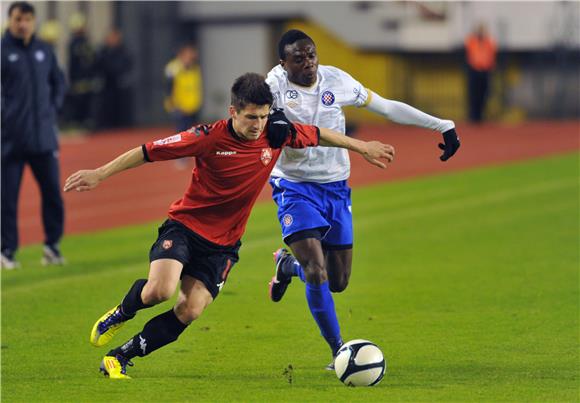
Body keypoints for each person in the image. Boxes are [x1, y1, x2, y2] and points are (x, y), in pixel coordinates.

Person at [63, 72, 395, 379]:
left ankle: (121, 357)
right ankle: (121, 312)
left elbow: (320, 134)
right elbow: (148, 151)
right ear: (233, 111)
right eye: (251, 116)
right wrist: (99, 174)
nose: (258, 124)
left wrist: (363, 146)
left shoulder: (275, 135)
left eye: (264, 116)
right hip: (185, 228)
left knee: (190, 310)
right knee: (159, 291)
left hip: (223, 246)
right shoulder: (206, 137)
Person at [265, 29, 461, 369]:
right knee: (316, 270)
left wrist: (441, 124)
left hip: (336, 187)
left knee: (337, 281)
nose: (308, 63)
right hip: (293, 186)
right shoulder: (274, 86)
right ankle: (339, 351)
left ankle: (287, 266)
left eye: (312, 54)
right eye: (299, 58)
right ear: (284, 63)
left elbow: (385, 107)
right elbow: (263, 115)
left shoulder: (336, 81)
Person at [1, 1, 67, 269]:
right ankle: (6, 251)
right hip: (10, 140)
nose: (23, 24)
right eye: (18, 19)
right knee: (7, 198)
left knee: (53, 192)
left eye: (27, 19)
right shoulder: (2, 51)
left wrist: (52, 110)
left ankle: (52, 246)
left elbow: (59, 83)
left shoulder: (44, 50)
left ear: (34, 21)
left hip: (43, 138)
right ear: (10, 20)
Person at [94, 28, 133, 129]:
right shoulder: (103, 51)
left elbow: (126, 65)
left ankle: (122, 125)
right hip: (107, 84)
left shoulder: (123, 51)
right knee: (106, 107)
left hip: (119, 86)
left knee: (121, 108)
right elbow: (98, 65)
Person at [66, 13, 96, 130]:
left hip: (85, 79)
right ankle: (78, 124)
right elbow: (73, 63)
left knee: (86, 103)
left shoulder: (84, 42)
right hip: (79, 79)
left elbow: (91, 60)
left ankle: (85, 123)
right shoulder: (74, 43)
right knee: (78, 103)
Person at [164, 44, 203, 134]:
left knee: (193, 134)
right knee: (182, 134)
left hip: (192, 106)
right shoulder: (173, 68)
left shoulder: (195, 68)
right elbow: (167, 87)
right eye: (189, 54)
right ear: (181, 55)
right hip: (179, 107)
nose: (192, 56)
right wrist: (172, 104)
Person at [464, 23, 497, 122]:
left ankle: (481, 115)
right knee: (474, 94)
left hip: (485, 71)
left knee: (484, 94)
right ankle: (474, 116)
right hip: (474, 70)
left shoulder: (489, 41)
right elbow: (470, 54)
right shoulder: (472, 41)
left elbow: (492, 55)